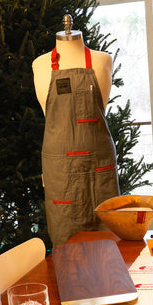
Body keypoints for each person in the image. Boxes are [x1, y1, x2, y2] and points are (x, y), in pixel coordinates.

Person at [32, 16, 120, 246]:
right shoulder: (40, 65)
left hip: (98, 170)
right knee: (66, 249)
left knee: (108, 248)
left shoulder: (102, 61)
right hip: (60, 173)